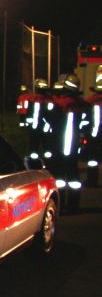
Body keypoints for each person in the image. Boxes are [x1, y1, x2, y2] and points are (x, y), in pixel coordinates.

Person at [48, 74, 90, 210]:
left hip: (59, 146)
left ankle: (60, 204)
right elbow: (86, 125)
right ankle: (73, 204)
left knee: (60, 177)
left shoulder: (59, 105)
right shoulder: (83, 105)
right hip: (75, 147)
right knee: (74, 177)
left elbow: (50, 124)